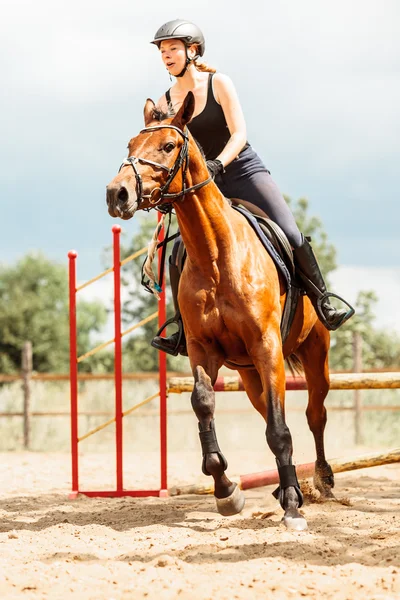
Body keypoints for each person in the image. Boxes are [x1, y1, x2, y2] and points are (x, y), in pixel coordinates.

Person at [149, 19, 354, 356]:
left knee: (289, 231)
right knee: (177, 253)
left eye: (172, 48)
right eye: (162, 51)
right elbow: (164, 150)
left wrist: (219, 163)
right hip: (204, 186)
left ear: (193, 50)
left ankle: (323, 301)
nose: (166, 55)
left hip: (243, 169)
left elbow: (239, 133)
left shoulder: (219, 83)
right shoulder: (165, 101)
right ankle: (182, 327)